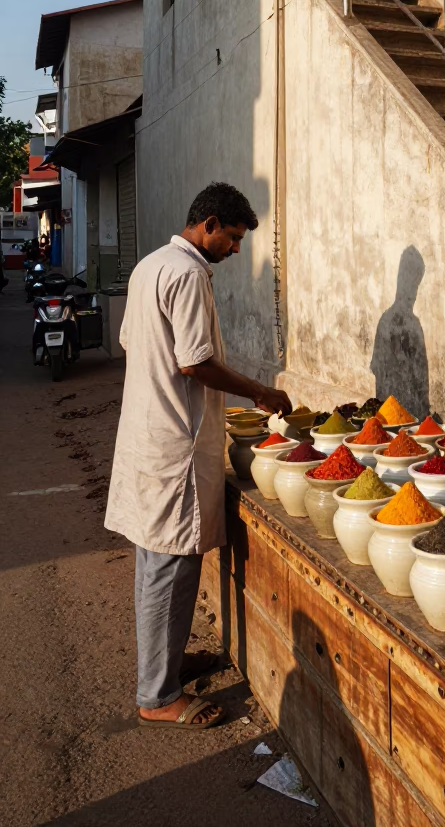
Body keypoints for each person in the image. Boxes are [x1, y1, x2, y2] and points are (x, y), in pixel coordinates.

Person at [104, 182, 292, 730]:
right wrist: (259, 391)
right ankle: (158, 695)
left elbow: (132, 341)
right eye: (232, 237)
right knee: (170, 567)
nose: (235, 249)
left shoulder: (151, 266)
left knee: (154, 563)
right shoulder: (186, 273)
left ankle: (163, 663)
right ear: (208, 224)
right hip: (173, 446)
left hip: (149, 435)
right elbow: (193, 362)